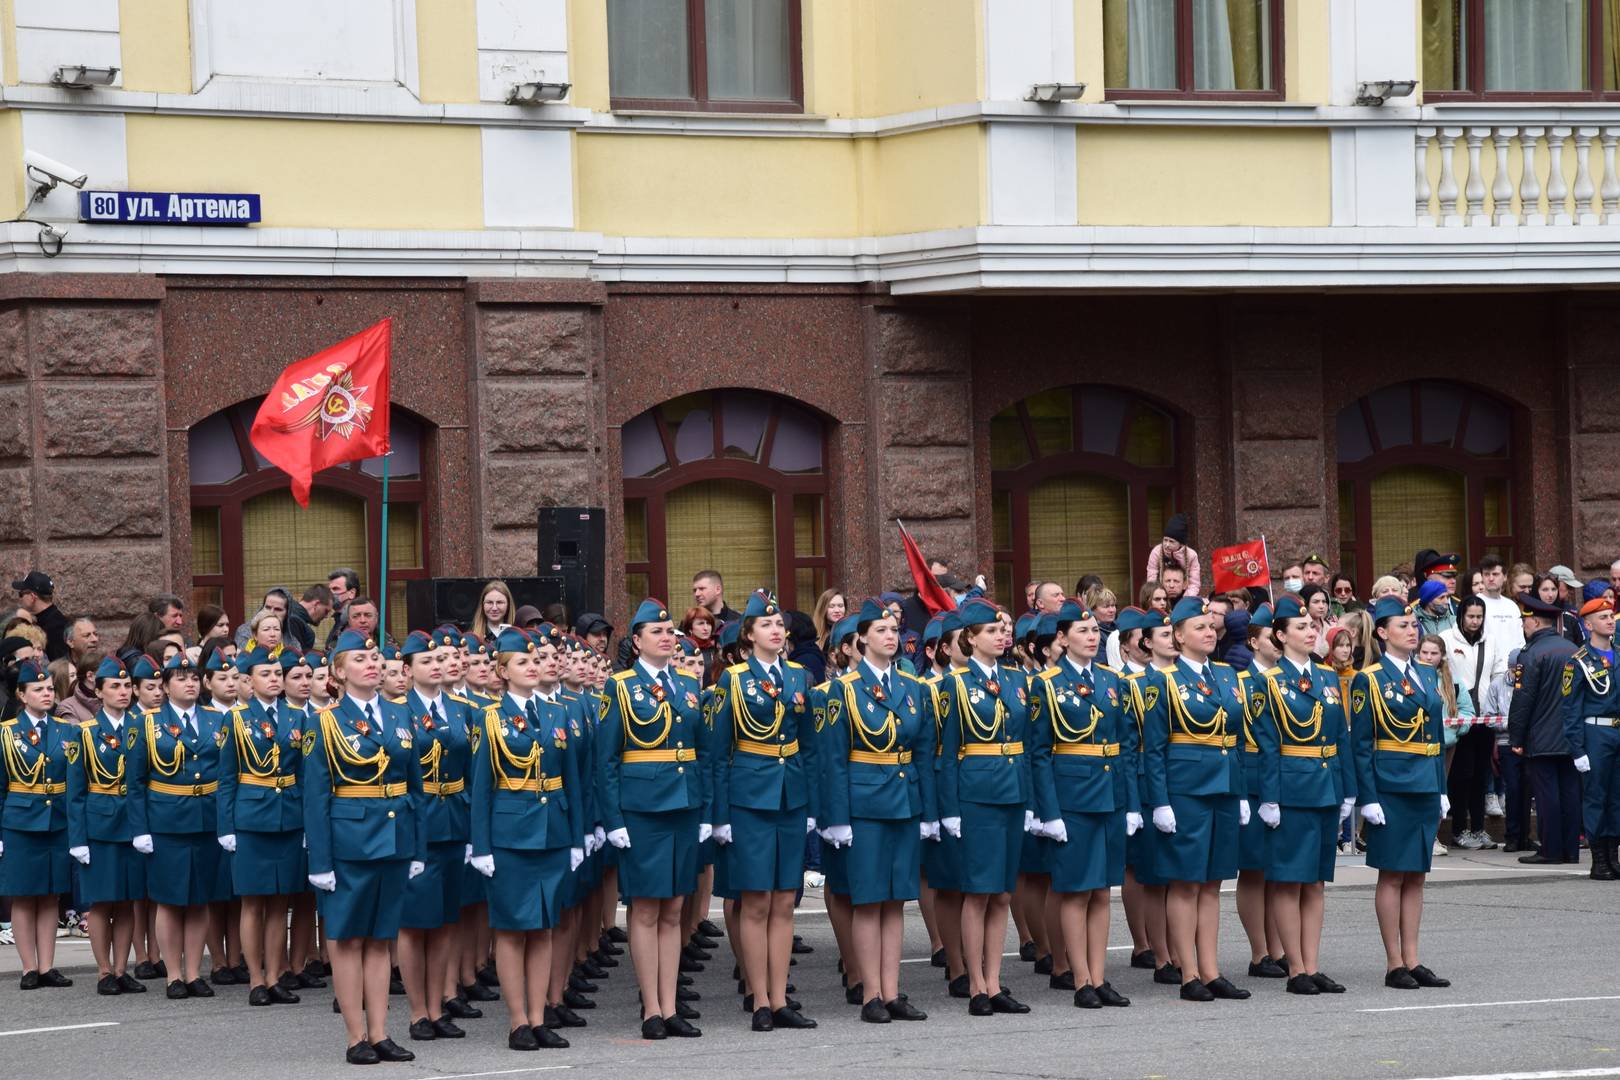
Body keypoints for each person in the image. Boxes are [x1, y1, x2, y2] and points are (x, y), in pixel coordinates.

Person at [303, 631, 425, 1064]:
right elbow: (316, 797)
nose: (371, 664)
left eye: (374, 657)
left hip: (395, 839)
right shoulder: (325, 722)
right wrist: (320, 861)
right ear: (339, 672)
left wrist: (418, 848)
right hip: (350, 842)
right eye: (359, 658)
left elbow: (416, 788)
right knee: (349, 940)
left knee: (381, 940)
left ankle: (380, 1032)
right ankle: (356, 1036)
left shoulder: (399, 714)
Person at [469, 627, 584, 1051]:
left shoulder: (556, 714)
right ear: (502, 671)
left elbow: (571, 777)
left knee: (545, 928)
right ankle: (517, 1019)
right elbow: (481, 786)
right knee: (514, 930)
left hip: (553, 830)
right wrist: (480, 846)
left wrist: (576, 837)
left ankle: (539, 1017)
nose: (533, 667)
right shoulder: (490, 717)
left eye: (535, 661)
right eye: (523, 662)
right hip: (510, 835)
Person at [598, 600, 708, 1040]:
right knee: (645, 908)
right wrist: (614, 819)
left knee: (676, 907)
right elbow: (606, 760)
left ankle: (670, 1003)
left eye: (669, 631)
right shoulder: (620, 687)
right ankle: (650, 1008)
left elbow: (699, 751)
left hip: (683, 804)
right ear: (637, 641)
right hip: (641, 809)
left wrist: (705, 809)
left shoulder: (686, 684)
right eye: (656, 632)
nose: (666, 637)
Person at [821, 598, 935, 1024]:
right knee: (869, 901)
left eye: (894, 630)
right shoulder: (843, 690)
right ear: (861, 640)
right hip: (865, 804)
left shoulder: (912, 687)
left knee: (896, 901)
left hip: (903, 801)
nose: (891, 637)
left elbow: (921, 753)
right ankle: (870, 992)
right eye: (881, 631)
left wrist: (928, 811)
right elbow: (833, 760)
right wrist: (837, 819)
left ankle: (892, 990)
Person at [709, 591, 818, 1032]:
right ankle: (758, 999)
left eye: (780, 625)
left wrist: (810, 805)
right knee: (755, 902)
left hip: (789, 797)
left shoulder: (798, 678)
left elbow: (808, 747)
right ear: (748, 635)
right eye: (766, 625)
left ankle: (780, 994)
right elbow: (718, 755)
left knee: (784, 903)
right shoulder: (732, 680)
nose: (777, 630)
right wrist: (720, 816)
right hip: (749, 799)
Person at [1141, 596, 1249, 1002]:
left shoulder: (1226, 675)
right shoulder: (1163, 681)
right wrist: (1161, 802)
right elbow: (1152, 749)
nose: (1208, 632)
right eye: (1199, 627)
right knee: (1186, 884)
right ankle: (1188, 973)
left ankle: (1211, 969)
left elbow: (1236, 739)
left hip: (1222, 787)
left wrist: (1238, 791)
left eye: (1210, 626)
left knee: (1212, 883)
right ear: (1179, 636)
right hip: (1185, 790)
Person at [1029, 600, 1136, 1010]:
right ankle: (1080, 979)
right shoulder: (1048, 683)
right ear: (1062, 638)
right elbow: (1039, 753)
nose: (1092, 638)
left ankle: (1099, 974)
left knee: (1102, 892)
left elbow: (1125, 745)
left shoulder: (1113, 682)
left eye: (1095, 632)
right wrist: (1049, 812)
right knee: (1075, 891)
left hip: (1109, 794)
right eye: (1082, 632)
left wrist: (1128, 804)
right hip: (1072, 797)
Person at [1254, 596, 1356, 996]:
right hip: (1292, 788)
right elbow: (1266, 745)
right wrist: (1270, 797)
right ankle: (1295, 967)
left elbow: (1340, 737)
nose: (1311, 631)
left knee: (1315, 881)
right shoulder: (1268, 682)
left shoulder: (1328, 677)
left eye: (1312, 626)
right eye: (1300, 627)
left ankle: (1312, 964)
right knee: (1288, 881)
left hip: (1325, 785)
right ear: (1280, 636)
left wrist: (1348, 788)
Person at [1350, 596, 1450, 990]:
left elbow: (1436, 738)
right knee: (1392, 875)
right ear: (1382, 632)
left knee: (1417, 876)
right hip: (1391, 786)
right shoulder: (1369, 679)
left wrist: (1441, 788)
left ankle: (1414, 957)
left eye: (1414, 625)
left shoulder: (1427, 674)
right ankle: (1394, 963)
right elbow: (1361, 744)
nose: (1412, 631)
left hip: (1425, 783)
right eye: (1403, 626)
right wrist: (1367, 798)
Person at [938, 600, 1032, 1017]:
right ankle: (975, 982)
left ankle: (994, 981)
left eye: (1002, 630)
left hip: (1012, 794)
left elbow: (1027, 745)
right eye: (991, 631)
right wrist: (949, 809)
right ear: (970, 638)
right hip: (975, 796)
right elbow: (944, 753)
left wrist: (1029, 799)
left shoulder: (1017, 681)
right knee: (977, 893)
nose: (1001, 636)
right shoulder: (954, 685)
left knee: (1003, 893)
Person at [128, 654, 230, 999]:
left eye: (194, 677)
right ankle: (173, 973)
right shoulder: (147, 723)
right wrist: (140, 829)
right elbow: (136, 781)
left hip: (207, 818)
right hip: (167, 821)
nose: (190, 683)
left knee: (200, 899)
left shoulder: (217, 720)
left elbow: (227, 776)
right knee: (170, 900)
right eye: (181, 678)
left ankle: (193, 971)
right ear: (166, 686)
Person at [396, 629, 479, 1040]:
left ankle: (437, 1005)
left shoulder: (463, 710)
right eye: (426, 661)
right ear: (408, 670)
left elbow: (472, 773)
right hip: (418, 821)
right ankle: (416, 1012)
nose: (436, 666)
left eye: (439, 660)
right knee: (414, 923)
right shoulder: (396, 710)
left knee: (447, 918)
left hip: (454, 819)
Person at [218, 647, 307, 1007]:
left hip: (289, 817)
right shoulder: (236, 719)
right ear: (249, 681)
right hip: (251, 818)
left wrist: (307, 825)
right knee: (253, 903)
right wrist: (226, 827)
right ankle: (255, 977)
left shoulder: (297, 718)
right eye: (265, 673)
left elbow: (303, 775)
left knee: (280, 902)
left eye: (276, 673)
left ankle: (274, 975)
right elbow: (226, 778)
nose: (273, 678)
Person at [65, 656, 149, 995]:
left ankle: (121, 969)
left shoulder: (141, 727)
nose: (123, 691)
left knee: (128, 900)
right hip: (99, 826)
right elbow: (75, 791)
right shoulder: (84, 733)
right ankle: (103, 971)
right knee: (101, 901)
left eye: (127, 685)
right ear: (98, 691)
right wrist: (77, 838)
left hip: (133, 825)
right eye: (114, 686)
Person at [2, 659, 75, 987]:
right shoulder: (7, 734)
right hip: (20, 823)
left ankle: (47, 966)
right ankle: (29, 967)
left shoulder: (66, 730)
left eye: (49, 688)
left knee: (51, 895)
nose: (47, 694)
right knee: (23, 894)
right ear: (21, 695)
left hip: (57, 820)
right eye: (38, 689)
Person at [1508, 594, 1581, 867]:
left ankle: (1550, 849)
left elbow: (1522, 699)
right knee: (1571, 792)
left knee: (1547, 793)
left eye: (1525, 621)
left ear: (1535, 622)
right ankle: (1570, 849)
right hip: (1572, 735)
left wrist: (1516, 736)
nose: (1523, 626)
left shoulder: (1531, 654)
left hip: (1542, 736)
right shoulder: (1573, 649)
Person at [1235, 604, 1284, 978]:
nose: (1277, 643)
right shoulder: (1241, 683)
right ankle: (1259, 951)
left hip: (1286, 778)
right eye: (1270, 636)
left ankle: (1280, 947)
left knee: (1278, 869)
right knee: (1254, 870)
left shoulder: (1290, 679)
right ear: (1254, 642)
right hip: (1253, 780)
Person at [1563, 598, 1620, 880]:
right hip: (1595, 734)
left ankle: (1613, 855)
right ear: (1588, 624)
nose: (1610, 620)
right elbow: (1570, 709)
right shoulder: (1578, 663)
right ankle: (1599, 860)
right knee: (1597, 797)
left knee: (1617, 797)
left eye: (1611, 616)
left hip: (1617, 732)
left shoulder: (1619, 655)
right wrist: (1577, 749)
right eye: (1603, 617)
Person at [1441, 598, 1499, 851]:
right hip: (1459, 715)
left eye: (1479, 617)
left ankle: (1478, 827)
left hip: (1484, 715)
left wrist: (1494, 705)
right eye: (1470, 616)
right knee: (1461, 775)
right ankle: (1459, 829)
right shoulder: (1447, 637)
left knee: (1481, 774)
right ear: (1461, 615)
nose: (1475, 621)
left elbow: (1496, 673)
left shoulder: (1491, 639)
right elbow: (1445, 672)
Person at [13, 571, 69, 661]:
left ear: (32, 597)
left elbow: (60, 666)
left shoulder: (54, 628)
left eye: (21, 594)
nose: (20, 599)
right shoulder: (50, 620)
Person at [1145, 514, 1201, 598]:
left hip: (1184, 594)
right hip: (1161, 593)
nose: (1167, 545)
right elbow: (1151, 578)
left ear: (1181, 543)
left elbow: (1194, 583)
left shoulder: (1191, 555)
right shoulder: (1156, 552)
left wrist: (1185, 601)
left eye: (1171, 541)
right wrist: (1157, 595)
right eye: (1165, 540)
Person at [286, 584, 333, 654]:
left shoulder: (285, 610)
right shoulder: (294, 621)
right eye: (326, 611)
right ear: (316, 604)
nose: (326, 616)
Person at [325, 569, 360, 647]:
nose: (330, 593)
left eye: (335, 589)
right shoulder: (339, 619)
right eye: (329, 590)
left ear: (351, 593)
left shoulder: (359, 621)